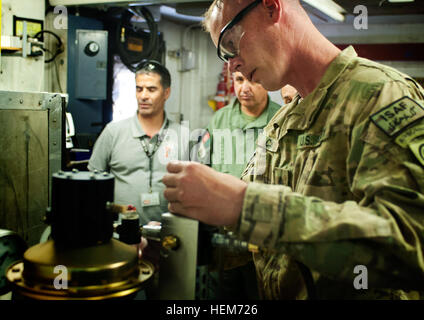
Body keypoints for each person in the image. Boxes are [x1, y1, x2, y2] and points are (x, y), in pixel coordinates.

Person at [162, 0, 424, 300]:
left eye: (231, 42)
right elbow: (258, 240)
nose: (231, 63)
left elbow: (412, 243)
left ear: (272, 8)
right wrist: (174, 241)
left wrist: (243, 204)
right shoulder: (281, 123)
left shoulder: (381, 95)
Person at [196, 71, 280, 300]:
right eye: (239, 80)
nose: (244, 88)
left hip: (264, 238)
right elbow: (204, 168)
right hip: (224, 236)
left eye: (253, 79)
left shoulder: (280, 119)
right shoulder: (219, 120)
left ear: (267, 83)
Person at [88, 61, 189, 225]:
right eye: (139, 88)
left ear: (166, 93)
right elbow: (93, 183)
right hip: (120, 233)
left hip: (169, 234)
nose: (143, 96)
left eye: (151, 89)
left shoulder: (183, 136)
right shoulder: (113, 132)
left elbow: (193, 189)